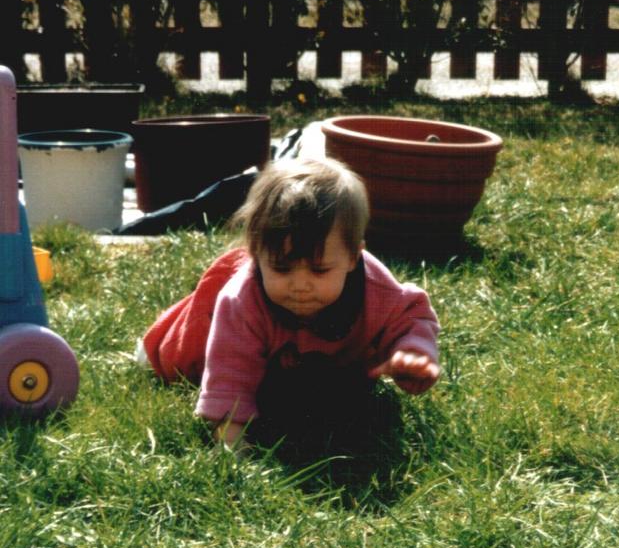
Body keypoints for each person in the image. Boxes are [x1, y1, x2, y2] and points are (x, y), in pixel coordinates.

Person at [141, 157, 441, 450]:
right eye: (282, 269)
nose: (300, 285)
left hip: (317, 371)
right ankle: (154, 341)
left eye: (319, 269)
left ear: (353, 257)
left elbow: (411, 317)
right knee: (182, 355)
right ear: (257, 255)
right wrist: (232, 440)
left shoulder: (376, 289)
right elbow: (229, 373)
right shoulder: (241, 301)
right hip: (223, 336)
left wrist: (412, 352)